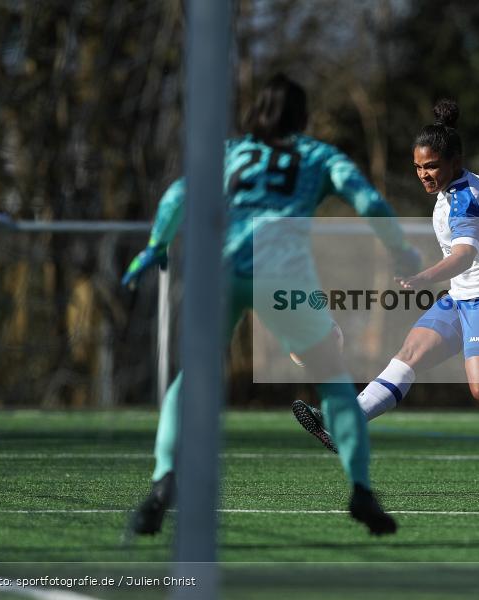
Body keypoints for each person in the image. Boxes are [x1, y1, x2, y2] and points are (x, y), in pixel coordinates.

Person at [122, 73, 421, 535]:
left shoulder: (231, 153)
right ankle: (361, 489)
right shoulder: (317, 155)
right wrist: (400, 250)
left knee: (193, 375)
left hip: (221, 271)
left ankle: (163, 481)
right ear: (302, 117)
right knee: (335, 381)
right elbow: (369, 200)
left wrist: (157, 244)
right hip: (283, 276)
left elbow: (177, 195)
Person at [293, 99, 479, 495]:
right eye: (417, 167)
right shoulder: (451, 191)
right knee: (408, 355)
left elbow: (465, 256)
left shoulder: (466, 195)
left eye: (430, 166)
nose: (423, 174)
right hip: (463, 295)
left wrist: (423, 278)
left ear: (454, 160)